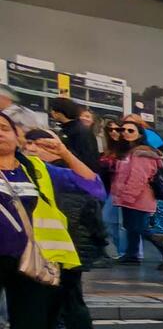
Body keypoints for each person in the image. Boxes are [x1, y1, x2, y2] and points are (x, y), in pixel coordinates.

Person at [1, 115, 103, 329]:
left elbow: (93, 186)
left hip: (32, 258)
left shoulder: (35, 168)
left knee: (33, 320)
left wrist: (65, 153)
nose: (0, 134)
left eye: (4, 128)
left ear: (17, 137)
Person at [46, 98, 109, 265]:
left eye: (53, 110)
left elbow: (85, 158)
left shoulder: (78, 131)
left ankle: (97, 253)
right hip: (75, 181)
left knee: (88, 220)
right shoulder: (71, 130)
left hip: (81, 182)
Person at [104, 115, 163, 265]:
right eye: (122, 129)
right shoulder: (128, 152)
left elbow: (138, 177)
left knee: (141, 229)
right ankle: (132, 255)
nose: (125, 133)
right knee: (131, 228)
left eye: (130, 130)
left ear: (139, 133)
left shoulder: (141, 153)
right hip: (127, 198)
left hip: (138, 198)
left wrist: (128, 196)